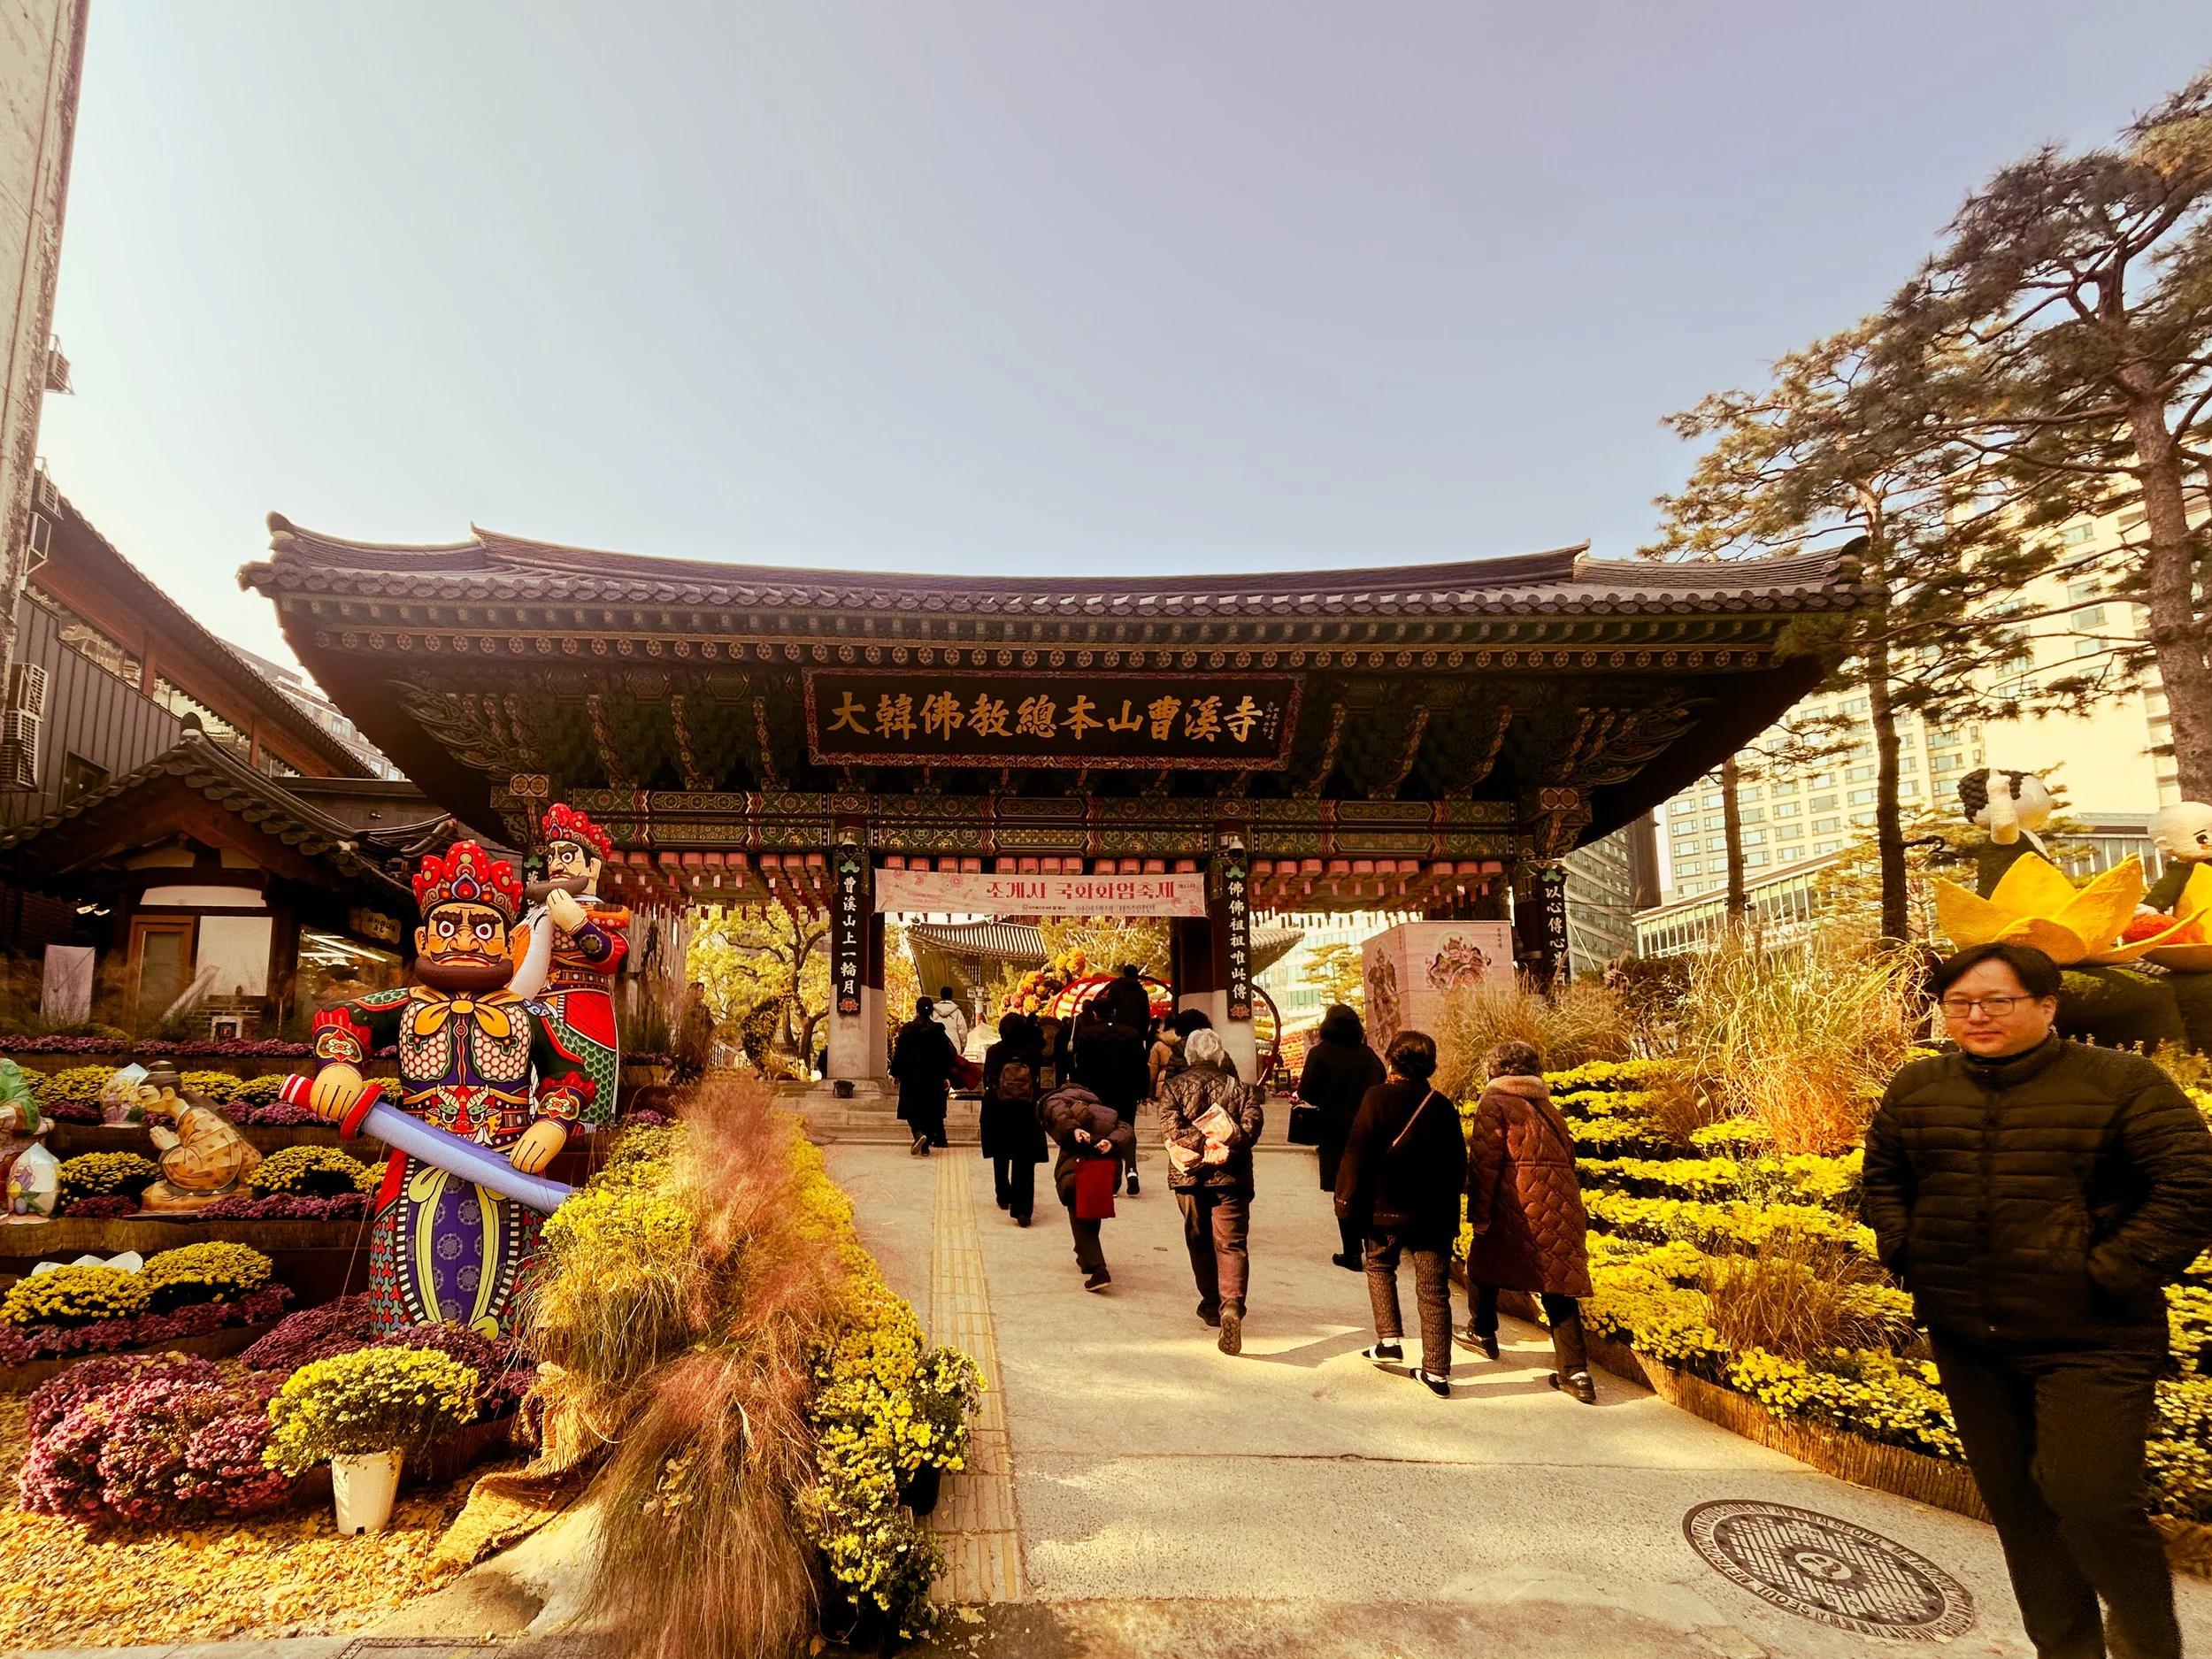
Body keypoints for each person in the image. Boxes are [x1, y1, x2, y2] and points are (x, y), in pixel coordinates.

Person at [1863, 941, 2212, 1659]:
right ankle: (2066, 1649)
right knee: (2021, 1512)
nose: (1976, 1015)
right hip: (1969, 1336)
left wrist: (2109, 1270)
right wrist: (1906, 1250)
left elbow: (2192, 1184)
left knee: (2091, 1497)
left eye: (1997, 1000)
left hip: (2092, 1339)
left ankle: (2149, 1642)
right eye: (1959, 1003)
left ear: (2047, 1006)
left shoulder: (2122, 1079)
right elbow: (1884, 1180)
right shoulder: (1917, 1088)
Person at [1463, 1040, 1595, 1403]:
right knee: (1558, 1284)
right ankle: (1576, 1373)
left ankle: (1482, 1332)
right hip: (1562, 1203)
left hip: (1516, 1202)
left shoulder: (1493, 1102)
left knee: (1481, 1261)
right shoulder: (1548, 1106)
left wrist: (1480, 1214)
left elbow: (1485, 1164)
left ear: (1497, 1069)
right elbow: (1569, 1156)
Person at [1334, 1029, 1465, 1397]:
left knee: (1379, 1265)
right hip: (1434, 1213)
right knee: (1434, 1289)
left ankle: (1389, 1339)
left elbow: (1357, 1152)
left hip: (1384, 1207)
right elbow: (1458, 1164)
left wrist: (1345, 1200)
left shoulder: (1377, 1098)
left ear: (1393, 1060)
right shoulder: (1441, 1104)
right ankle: (1437, 1371)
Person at [1158, 1027, 1264, 1355]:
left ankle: (1209, 1303)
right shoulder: (1243, 1089)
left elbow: (1171, 1128)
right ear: (1220, 1054)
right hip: (1231, 1176)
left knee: (1199, 1238)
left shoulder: (1174, 1087)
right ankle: (1231, 1305)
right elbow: (1251, 1129)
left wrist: (1201, 1143)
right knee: (1232, 1243)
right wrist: (1221, 1142)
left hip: (1189, 1178)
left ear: (1190, 1054)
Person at [1297, 1002, 1385, 1271]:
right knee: (1367, 1186)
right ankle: (1373, 1247)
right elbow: (1382, 1085)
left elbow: (1306, 1092)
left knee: (1342, 1189)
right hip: (1369, 1129)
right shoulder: (1368, 1055)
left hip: (1334, 1130)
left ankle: (1351, 1252)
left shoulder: (1319, 1054)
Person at [1041, 1078, 1135, 1290]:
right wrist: (1111, 1141)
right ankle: (1084, 1256)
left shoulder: (1059, 1099)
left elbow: (1057, 1112)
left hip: (1078, 1166)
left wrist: (1073, 1129)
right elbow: (1127, 1129)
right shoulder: (1107, 1111)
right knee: (1090, 1213)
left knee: (1080, 1215)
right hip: (1103, 1169)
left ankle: (1098, 1270)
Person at [1075, 965, 1153, 1195]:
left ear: (1096, 1014)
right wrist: (1142, 1090)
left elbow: (1082, 1065)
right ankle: (1131, 1171)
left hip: (1098, 1091)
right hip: (1127, 1090)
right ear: (1114, 1012)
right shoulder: (1132, 1034)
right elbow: (1142, 1064)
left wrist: (1081, 1091)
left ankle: (1109, 1180)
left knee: (1101, 1130)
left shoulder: (1089, 1034)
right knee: (1126, 1129)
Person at [979, 1012, 1048, 1225]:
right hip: (1026, 1111)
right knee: (1024, 1160)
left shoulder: (994, 1052)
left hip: (998, 1109)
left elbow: (987, 1080)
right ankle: (1023, 1210)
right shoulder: (1033, 1052)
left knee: (1000, 1153)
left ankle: (1003, 1193)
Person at [889, 995, 959, 1156]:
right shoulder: (938, 1030)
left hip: (911, 1077)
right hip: (932, 1078)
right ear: (931, 1011)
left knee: (911, 1108)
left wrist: (896, 1074)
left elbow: (900, 1053)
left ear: (917, 1010)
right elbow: (946, 1055)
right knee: (930, 1110)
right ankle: (926, 1145)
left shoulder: (907, 1030)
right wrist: (945, 1076)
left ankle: (918, 1134)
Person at [933, 985, 969, 1058]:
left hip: (936, 1047)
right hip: (954, 1046)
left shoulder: (933, 1012)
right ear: (951, 996)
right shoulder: (957, 1012)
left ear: (941, 996)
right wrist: (963, 1045)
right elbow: (962, 1030)